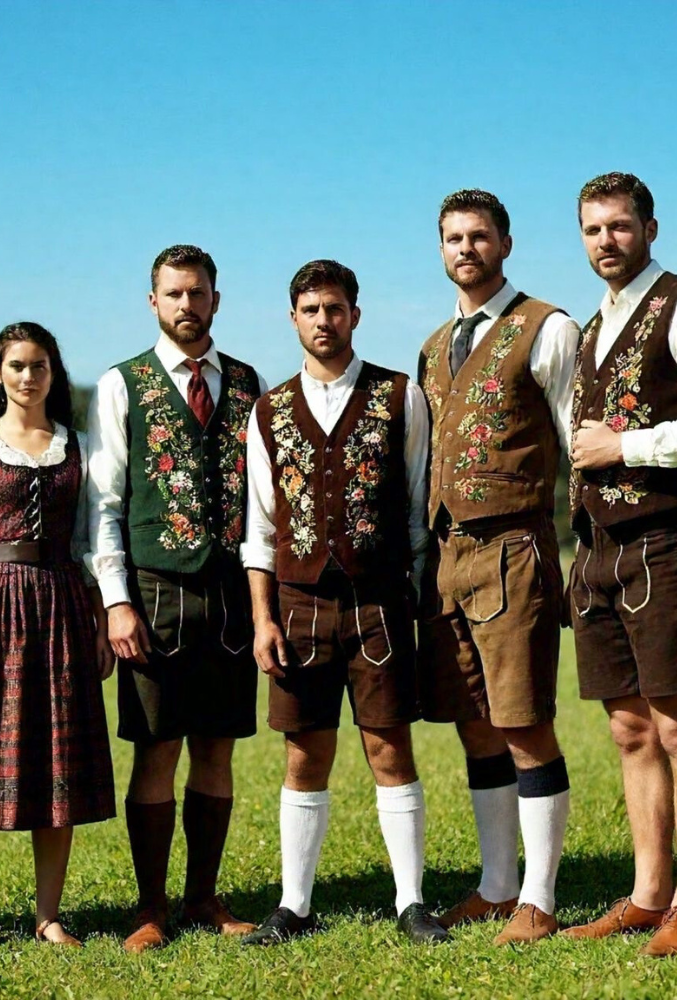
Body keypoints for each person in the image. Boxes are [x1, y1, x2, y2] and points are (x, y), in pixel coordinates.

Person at [563, 173, 677, 956]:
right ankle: (645, 896)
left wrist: (625, 445)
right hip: (598, 551)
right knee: (630, 730)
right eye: (593, 229)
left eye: (620, 226)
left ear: (650, 227)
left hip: (664, 541)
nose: (607, 240)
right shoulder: (589, 329)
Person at [241, 259, 442, 946]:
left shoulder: (399, 396)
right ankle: (295, 904)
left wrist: (415, 596)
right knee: (305, 754)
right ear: (292, 318)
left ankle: (410, 902)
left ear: (355, 314)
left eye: (335, 308)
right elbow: (260, 529)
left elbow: (417, 509)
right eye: (311, 310)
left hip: (379, 601)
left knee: (390, 747)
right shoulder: (267, 410)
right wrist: (262, 617)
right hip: (298, 605)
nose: (324, 321)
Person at [88, 244, 265, 952]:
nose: (187, 305)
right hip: (154, 592)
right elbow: (103, 501)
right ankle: (150, 907)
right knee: (156, 751)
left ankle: (204, 898)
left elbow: (264, 502)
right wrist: (115, 601)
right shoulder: (120, 384)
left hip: (227, 592)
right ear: (152, 302)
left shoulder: (250, 383)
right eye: (173, 294)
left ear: (216, 299)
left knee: (217, 749)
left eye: (198, 293)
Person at [416, 190, 579, 945]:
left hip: (514, 547)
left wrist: (581, 549)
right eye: (453, 238)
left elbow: (580, 443)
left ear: (506, 244)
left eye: (479, 236)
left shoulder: (547, 329)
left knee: (522, 723)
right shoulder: (433, 343)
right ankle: (496, 884)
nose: (465, 249)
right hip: (449, 557)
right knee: (475, 728)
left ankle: (539, 899)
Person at [0, 322, 116, 965]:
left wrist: (97, 622)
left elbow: (92, 544)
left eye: (39, 365)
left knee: (56, 769)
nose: (28, 376)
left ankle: (48, 916)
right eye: (16, 365)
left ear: (53, 374)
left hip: (63, 605)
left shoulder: (78, 447)